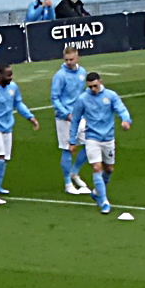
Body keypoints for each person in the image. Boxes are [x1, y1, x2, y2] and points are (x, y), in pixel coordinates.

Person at [67, 71, 133, 214]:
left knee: (109, 169)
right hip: (92, 138)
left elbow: (121, 109)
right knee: (97, 168)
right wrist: (72, 141)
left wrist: (126, 120)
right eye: (90, 87)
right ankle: (104, 201)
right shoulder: (83, 99)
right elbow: (75, 120)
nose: (93, 89)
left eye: (95, 86)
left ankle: (97, 192)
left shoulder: (111, 95)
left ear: (100, 82)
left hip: (108, 138)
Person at [0, 63, 40, 206]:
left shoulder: (13, 87)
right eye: (8, 75)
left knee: (4, 160)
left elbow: (18, 103)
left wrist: (30, 117)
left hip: (7, 127)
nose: (10, 77)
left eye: (11, 74)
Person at [51, 46, 91, 194]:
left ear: (77, 57)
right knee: (68, 149)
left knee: (90, 144)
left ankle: (75, 172)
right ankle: (68, 183)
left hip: (81, 116)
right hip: (65, 119)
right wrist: (66, 113)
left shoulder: (82, 72)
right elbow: (55, 98)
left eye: (71, 59)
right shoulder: (60, 76)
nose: (69, 62)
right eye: (66, 60)